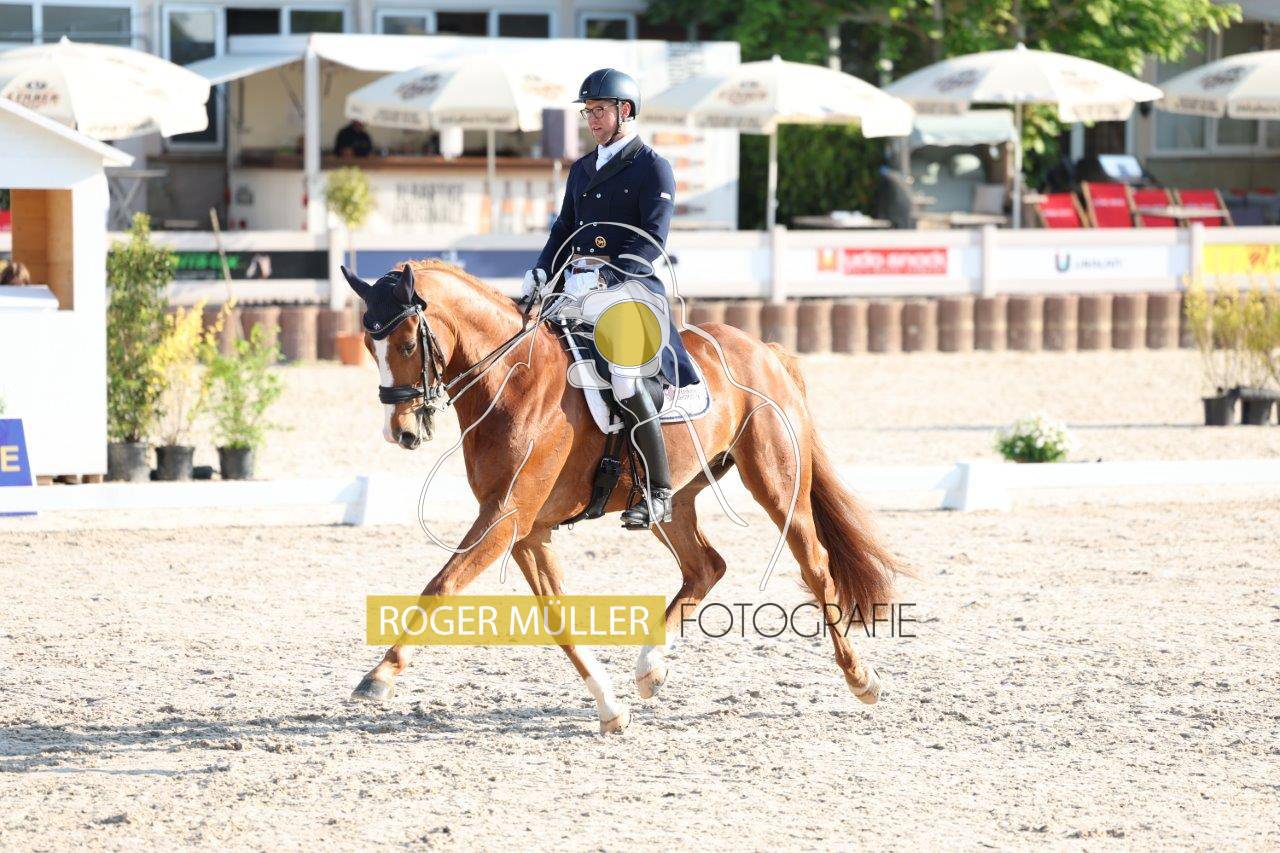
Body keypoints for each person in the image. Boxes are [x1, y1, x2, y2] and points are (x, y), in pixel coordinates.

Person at [521, 67, 699, 529]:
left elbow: (652, 240)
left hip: (628, 290)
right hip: (575, 286)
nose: (592, 119)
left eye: (599, 110)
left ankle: (658, 491)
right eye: (588, 112)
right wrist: (542, 270)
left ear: (625, 110)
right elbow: (564, 228)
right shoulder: (582, 168)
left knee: (624, 379)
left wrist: (609, 275)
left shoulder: (652, 166)